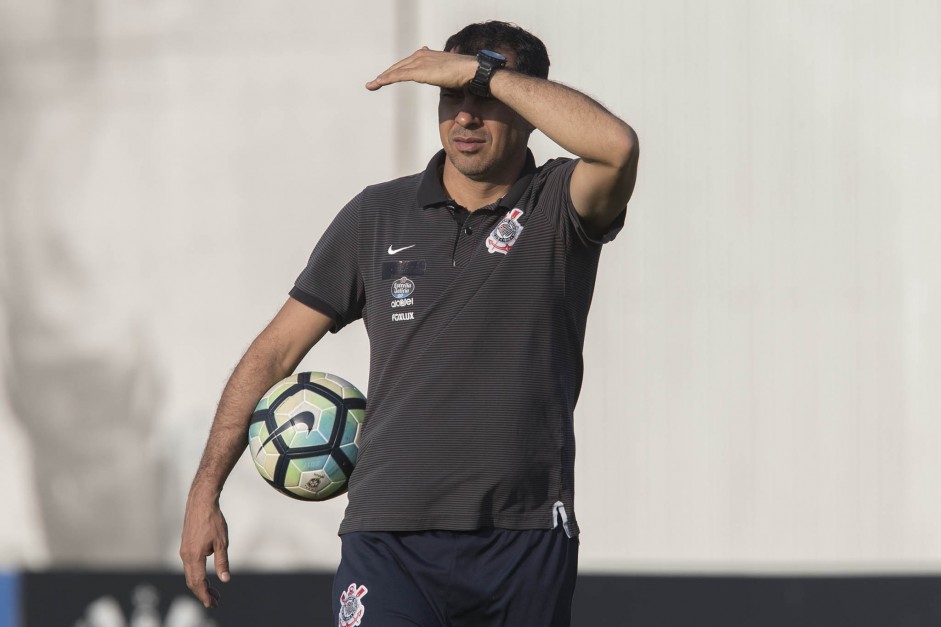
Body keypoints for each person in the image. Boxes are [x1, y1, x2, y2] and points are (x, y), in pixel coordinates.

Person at [180, 20, 638, 627]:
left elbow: (618, 146)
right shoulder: (377, 214)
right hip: (388, 540)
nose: (466, 117)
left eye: (488, 100)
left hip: (522, 535)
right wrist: (205, 488)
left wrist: (480, 72)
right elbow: (274, 353)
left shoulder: (562, 201)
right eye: (452, 97)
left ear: (529, 109)